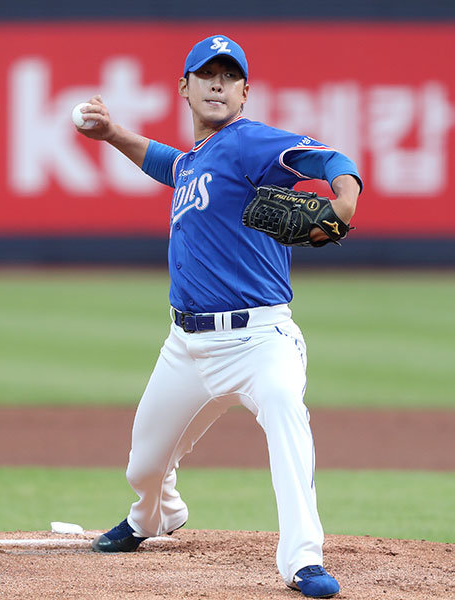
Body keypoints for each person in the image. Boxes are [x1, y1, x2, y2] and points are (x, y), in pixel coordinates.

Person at [75, 34, 361, 599]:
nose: (217, 84)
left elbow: (332, 160)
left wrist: (345, 198)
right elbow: (170, 164)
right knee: (143, 466)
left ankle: (303, 560)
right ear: (184, 87)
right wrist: (113, 134)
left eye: (230, 76)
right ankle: (154, 517)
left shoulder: (249, 141)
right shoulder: (194, 162)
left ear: (244, 92)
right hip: (186, 346)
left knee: (285, 416)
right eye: (206, 74)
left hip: (261, 340)